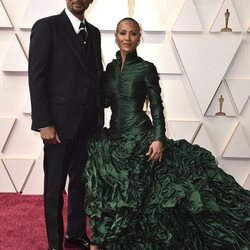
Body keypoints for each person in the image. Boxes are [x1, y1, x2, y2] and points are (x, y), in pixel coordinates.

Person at [84, 17, 250, 250]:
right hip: (114, 139)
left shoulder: (146, 68)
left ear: (139, 37)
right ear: (116, 36)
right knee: (106, 184)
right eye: (123, 33)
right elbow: (103, 101)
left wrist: (158, 139)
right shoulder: (109, 70)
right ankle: (104, 240)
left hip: (142, 137)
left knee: (155, 196)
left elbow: (157, 106)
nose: (127, 38)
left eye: (133, 34)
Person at [28, 0, 103, 249]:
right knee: (54, 188)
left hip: (87, 124)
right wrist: (44, 122)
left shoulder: (94, 33)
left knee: (81, 184)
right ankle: (54, 243)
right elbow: (36, 78)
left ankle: (75, 232)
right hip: (57, 126)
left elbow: (94, 75)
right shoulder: (47, 27)